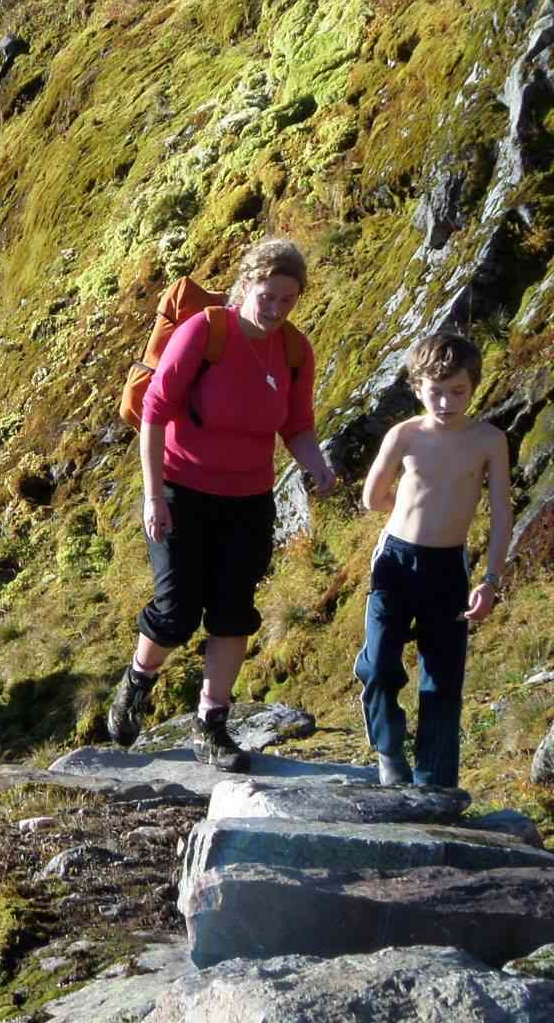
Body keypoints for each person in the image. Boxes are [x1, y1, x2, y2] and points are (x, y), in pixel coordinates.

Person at [105, 239, 338, 771]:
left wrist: (316, 464)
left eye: (287, 300)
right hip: (180, 490)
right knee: (176, 611)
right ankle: (139, 680)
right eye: (268, 296)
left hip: (248, 501)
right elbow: (154, 415)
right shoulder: (205, 331)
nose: (276, 309)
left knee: (233, 614)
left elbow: (296, 425)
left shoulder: (295, 351)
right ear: (246, 284)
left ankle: (211, 725)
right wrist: (152, 497)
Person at [354, 332, 511, 788]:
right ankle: (388, 749)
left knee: (442, 679)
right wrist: (408, 508)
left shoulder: (488, 441)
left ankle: (436, 783)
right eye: (435, 391)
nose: (445, 401)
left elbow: (502, 510)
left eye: (457, 391)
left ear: (473, 386)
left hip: (448, 568)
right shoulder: (404, 435)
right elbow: (371, 497)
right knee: (382, 663)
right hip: (397, 561)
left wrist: (491, 579)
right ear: (417, 386)